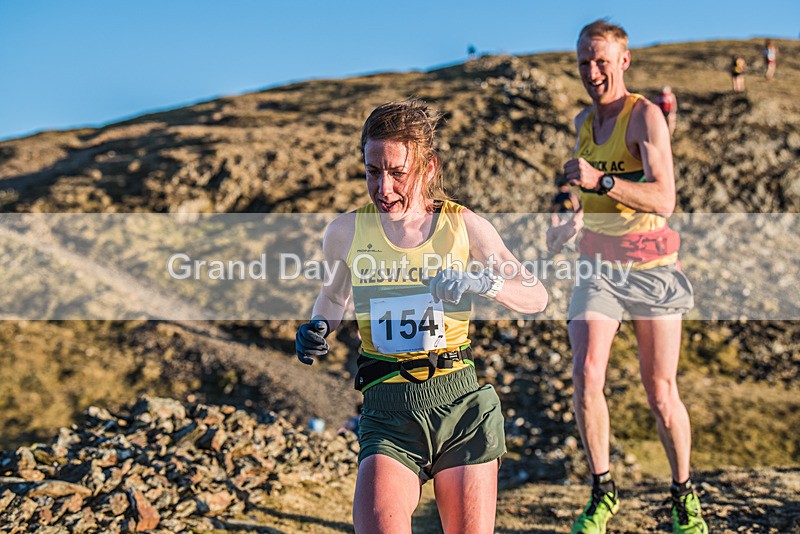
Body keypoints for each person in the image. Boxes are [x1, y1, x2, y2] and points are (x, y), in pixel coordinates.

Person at [296, 99, 548, 534]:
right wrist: (318, 328)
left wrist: (479, 283)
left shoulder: (464, 226)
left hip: (460, 403)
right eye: (373, 171)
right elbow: (333, 298)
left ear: (429, 168)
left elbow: (536, 295)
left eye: (398, 173)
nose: (384, 188)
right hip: (388, 409)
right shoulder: (344, 232)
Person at [546, 20, 708, 534]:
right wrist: (570, 220)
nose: (591, 71)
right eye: (583, 62)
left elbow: (665, 198)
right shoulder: (581, 123)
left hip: (652, 268)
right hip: (597, 266)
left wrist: (602, 180)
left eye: (600, 60)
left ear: (623, 60)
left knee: (660, 391)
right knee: (586, 373)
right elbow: (589, 198)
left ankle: (683, 494)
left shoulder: (646, 117)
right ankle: (603, 490)